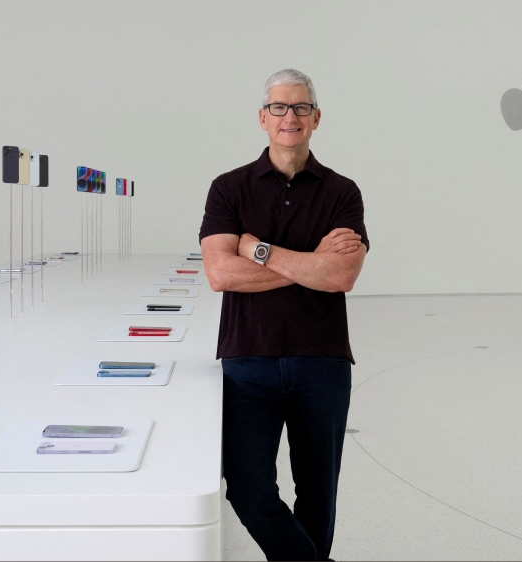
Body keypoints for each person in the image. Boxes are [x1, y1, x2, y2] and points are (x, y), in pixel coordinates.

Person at [199, 69, 368, 561]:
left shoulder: (342, 192)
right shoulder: (228, 188)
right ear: (262, 117)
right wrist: (310, 260)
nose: (288, 117)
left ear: (316, 118)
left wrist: (259, 250)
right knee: (248, 490)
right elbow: (219, 274)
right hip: (247, 361)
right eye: (278, 107)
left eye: (299, 108)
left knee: (318, 496)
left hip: (323, 361)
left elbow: (342, 277)